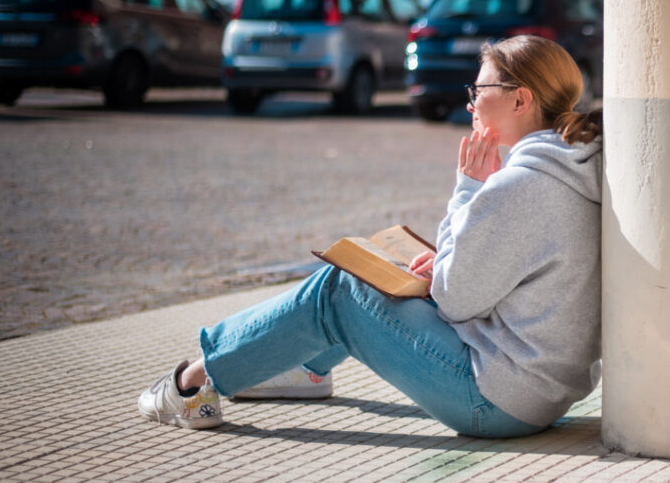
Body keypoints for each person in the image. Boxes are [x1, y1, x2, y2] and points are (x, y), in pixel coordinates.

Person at [138, 35, 604, 438]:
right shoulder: (569, 167)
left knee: (343, 287)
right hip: (540, 392)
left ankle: (194, 383)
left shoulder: (520, 186)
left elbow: (457, 300)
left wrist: (468, 188)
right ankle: (304, 370)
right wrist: (442, 264)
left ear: (520, 100)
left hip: (496, 403)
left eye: (478, 89)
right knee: (381, 276)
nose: (470, 102)